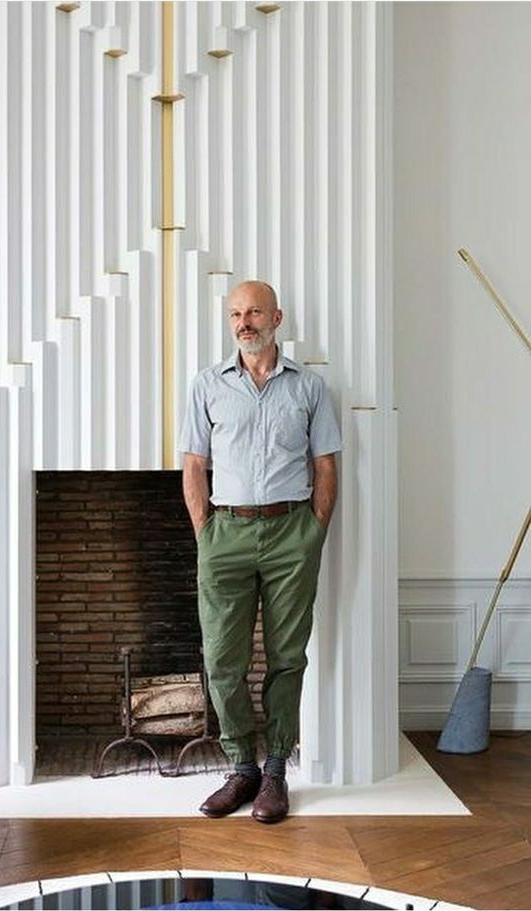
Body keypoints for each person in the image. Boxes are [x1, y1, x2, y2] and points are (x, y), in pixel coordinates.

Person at [178, 280, 342, 823]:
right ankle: (241, 767)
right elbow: (195, 466)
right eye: (234, 315)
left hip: (291, 532)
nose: (243, 323)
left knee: (287, 657)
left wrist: (313, 530)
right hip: (225, 534)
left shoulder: (310, 388)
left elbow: (325, 466)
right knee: (222, 658)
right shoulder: (207, 386)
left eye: (253, 313)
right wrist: (205, 531)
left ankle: (275, 771)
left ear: (277, 317)